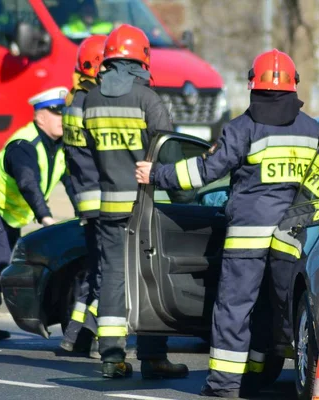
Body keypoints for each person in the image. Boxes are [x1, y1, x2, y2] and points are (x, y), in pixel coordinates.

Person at [135, 49, 319, 398]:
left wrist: (157, 173)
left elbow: (203, 172)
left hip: (247, 237)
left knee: (235, 309)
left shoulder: (242, 127)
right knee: (275, 308)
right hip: (291, 238)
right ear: (293, 85)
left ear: (254, 85)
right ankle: (263, 376)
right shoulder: (312, 129)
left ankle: (224, 385)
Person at [82, 24, 189, 380]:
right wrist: (184, 194)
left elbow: (89, 154)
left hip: (109, 204)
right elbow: (168, 152)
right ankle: (154, 356)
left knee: (112, 276)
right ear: (142, 58)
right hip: (144, 207)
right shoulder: (147, 99)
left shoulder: (92, 99)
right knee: (149, 278)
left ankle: (111, 357)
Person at [0, 86, 76, 345]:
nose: (63, 118)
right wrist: (45, 217)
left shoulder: (59, 147)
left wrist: (85, 214)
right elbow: (27, 182)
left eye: (65, 113)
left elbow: (72, 183)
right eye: (56, 112)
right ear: (40, 116)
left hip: (12, 212)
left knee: (0, 261)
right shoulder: (24, 144)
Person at [59, 34, 108, 359]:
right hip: (104, 198)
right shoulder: (93, 103)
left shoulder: (74, 102)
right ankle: (97, 338)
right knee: (107, 271)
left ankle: (74, 337)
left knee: (93, 270)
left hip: (85, 199)